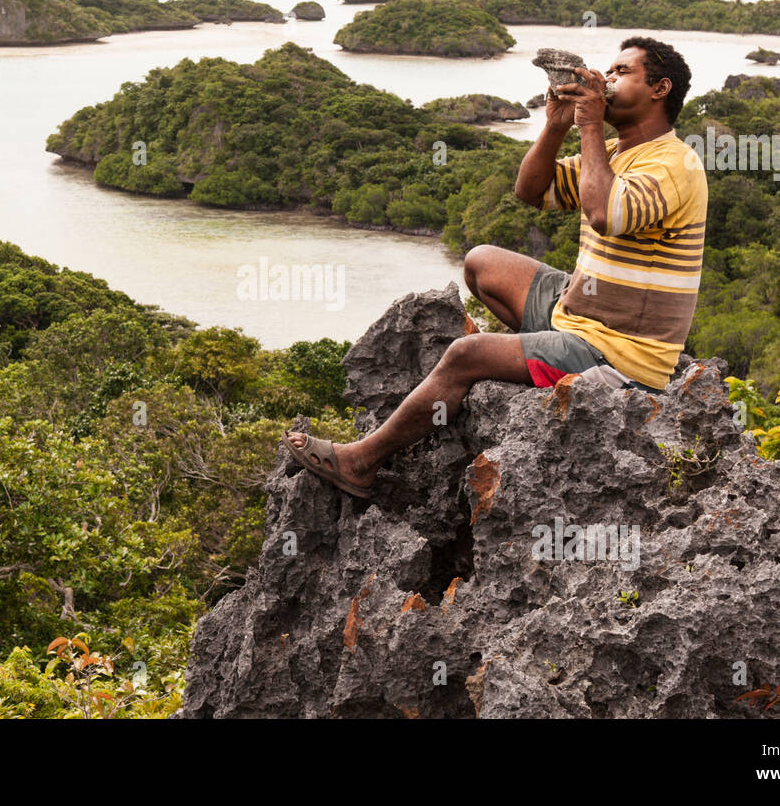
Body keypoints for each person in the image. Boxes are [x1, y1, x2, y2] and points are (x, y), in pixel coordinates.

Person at [283, 36, 706, 499]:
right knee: (482, 261)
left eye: (622, 72)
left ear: (660, 88)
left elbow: (606, 214)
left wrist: (588, 126)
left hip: (619, 353)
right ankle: (538, 354)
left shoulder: (674, 162)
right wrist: (556, 126)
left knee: (468, 354)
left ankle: (360, 463)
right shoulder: (617, 153)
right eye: (608, 69)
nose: (606, 79)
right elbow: (531, 190)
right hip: (580, 312)